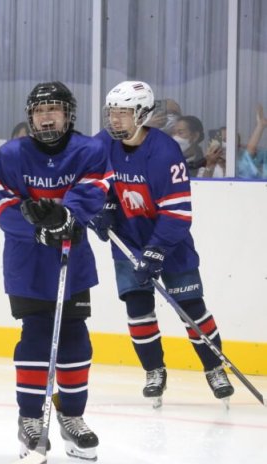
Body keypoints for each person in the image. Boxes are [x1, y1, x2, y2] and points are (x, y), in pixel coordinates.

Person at [94, 80, 234, 405]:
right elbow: (94, 180)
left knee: (192, 309)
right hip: (128, 242)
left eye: (124, 113)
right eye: (112, 112)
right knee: (138, 310)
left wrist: (156, 251)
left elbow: (178, 212)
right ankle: (154, 371)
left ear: (142, 114)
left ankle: (215, 368)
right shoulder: (104, 144)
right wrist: (102, 208)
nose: (115, 120)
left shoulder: (164, 152)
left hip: (171, 245)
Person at [0, 81, 111, 461]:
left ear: (68, 114)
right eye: (40, 111)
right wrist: (38, 228)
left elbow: (94, 190)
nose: (46, 117)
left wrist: (67, 214)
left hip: (71, 261)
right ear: (30, 116)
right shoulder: (11, 154)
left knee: (75, 338)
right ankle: (30, 418)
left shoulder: (89, 150)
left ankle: (72, 418)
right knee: (37, 336)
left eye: (54, 109)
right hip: (27, 264)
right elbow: (4, 208)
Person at [237, 104, 267, 179]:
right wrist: (260, 126)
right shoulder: (234, 167)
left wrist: (260, 126)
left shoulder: (240, 163)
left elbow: (250, 150)